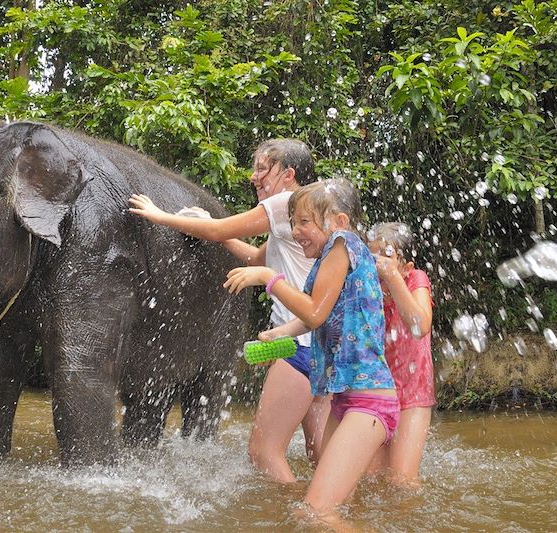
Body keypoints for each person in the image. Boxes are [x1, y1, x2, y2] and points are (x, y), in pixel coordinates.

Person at [128, 138, 329, 483]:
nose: (254, 177)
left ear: (288, 175)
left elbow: (222, 228)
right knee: (319, 452)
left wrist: (159, 216)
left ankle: (304, 514)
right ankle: (340, 506)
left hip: (301, 345)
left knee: (263, 453)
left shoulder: (284, 203)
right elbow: (252, 257)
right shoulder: (298, 219)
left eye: (263, 168)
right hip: (321, 342)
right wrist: (215, 230)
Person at [223, 178, 399, 524]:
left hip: (369, 402)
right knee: (335, 507)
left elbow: (314, 310)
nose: (296, 230)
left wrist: (270, 278)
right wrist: (280, 332)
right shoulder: (329, 259)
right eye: (293, 222)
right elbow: (316, 317)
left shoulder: (342, 244)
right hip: (346, 399)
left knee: (316, 513)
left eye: (304, 222)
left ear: (340, 221)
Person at [366, 222, 434, 486]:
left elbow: (420, 325)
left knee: (401, 480)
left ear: (406, 267)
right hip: (376, 389)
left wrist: (393, 278)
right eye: (374, 256)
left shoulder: (415, 280)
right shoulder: (367, 286)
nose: (379, 265)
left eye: (387, 256)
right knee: (369, 478)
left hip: (413, 392)